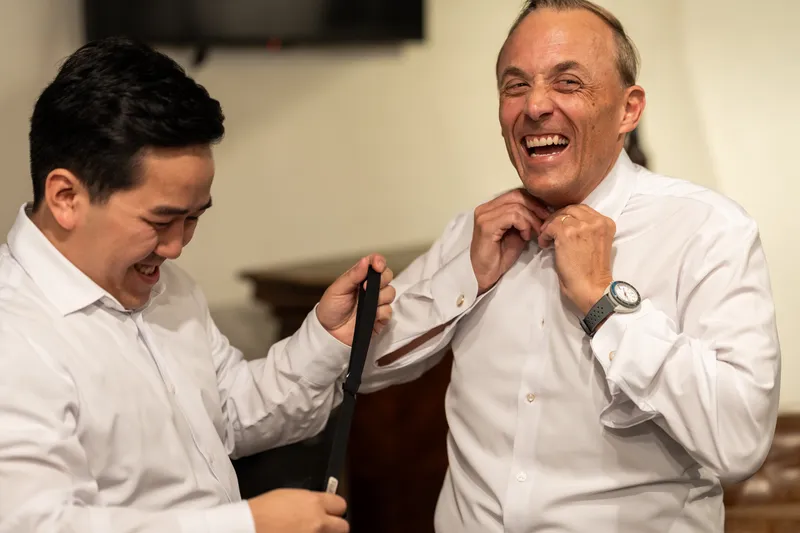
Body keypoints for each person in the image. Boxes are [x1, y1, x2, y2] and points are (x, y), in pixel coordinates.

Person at [360, 1, 782, 532]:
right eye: (515, 86)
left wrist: (605, 302)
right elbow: (358, 369)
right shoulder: (475, 234)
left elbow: (740, 441)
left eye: (568, 83)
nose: (535, 106)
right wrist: (464, 279)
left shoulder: (709, 231)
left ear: (630, 110)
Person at [0, 37, 396, 533]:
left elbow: (228, 412)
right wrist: (248, 525)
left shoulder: (172, 289)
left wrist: (327, 339)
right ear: (65, 196)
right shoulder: (13, 336)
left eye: (193, 219)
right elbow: (39, 525)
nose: (177, 246)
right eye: (162, 219)